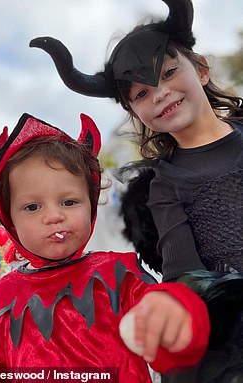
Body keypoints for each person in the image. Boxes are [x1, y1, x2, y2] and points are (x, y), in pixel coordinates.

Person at [28, 0, 243, 381]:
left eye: (169, 72)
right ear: (134, 112)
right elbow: (185, 279)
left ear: (202, 69)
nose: (159, 93)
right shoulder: (164, 188)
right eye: (141, 94)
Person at [0, 112, 210, 382]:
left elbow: (167, 325)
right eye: (32, 207)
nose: (53, 216)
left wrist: (177, 314)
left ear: (91, 203)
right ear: (10, 219)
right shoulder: (1, 299)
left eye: (69, 202)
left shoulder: (120, 275)